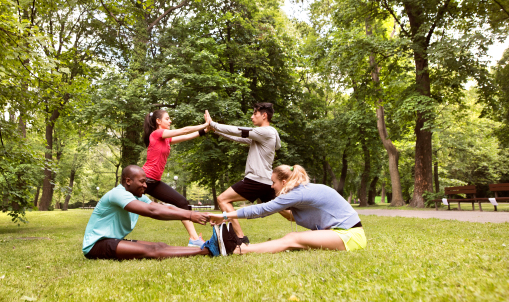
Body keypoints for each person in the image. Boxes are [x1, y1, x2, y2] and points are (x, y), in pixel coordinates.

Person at [207, 164, 367, 256]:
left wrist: (225, 216)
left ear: (283, 182)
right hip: (346, 234)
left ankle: (238, 250)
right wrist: (277, 206)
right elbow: (291, 216)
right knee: (295, 241)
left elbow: (261, 210)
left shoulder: (298, 193)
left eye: (273, 182)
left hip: (349, 236)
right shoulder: (302, 190)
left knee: (292, 238)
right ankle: (237, 248)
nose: (271, 186)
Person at [82, 165, 219, 260]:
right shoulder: (118, 194)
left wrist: (200, 214)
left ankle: (207, 245)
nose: (146, 185)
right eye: (142, 182)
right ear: (128, 181)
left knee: (160, 246)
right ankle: (209, 250)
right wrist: (189, 215)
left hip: (113, 240)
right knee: (153, 251)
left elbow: (165, 207)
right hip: (96, 245)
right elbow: (152, 211)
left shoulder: (137, 196)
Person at [204, 103, 281, 245]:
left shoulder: (266, 132)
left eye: (255, 114)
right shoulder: (262, 135)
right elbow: (237, 137)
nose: (252, 117)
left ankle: (240, 239)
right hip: (266, 181)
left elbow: (238, 131)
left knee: (222, 199)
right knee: (284, 209)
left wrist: (213, 123)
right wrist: (214, 130)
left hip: (256, 180)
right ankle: (317, 222)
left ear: (264, 116)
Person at [142, 109, 210, 247]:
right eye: (167, 119)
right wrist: (204, 124)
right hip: (143, 181)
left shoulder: (166, 139)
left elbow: (186, 137)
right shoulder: (156, 133)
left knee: (182, 202)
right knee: (122, 204)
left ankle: (194, 239)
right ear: (158, 121)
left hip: (154, 182)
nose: (170, 121)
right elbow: (184, 130)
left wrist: (205, 130)